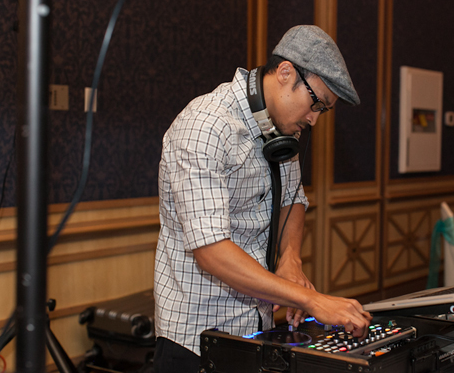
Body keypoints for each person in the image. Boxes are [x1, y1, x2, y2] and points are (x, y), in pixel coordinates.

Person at [153, 25, 372, 372]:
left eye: (324, 111)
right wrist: (311, 300)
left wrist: (291, 259)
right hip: (195, 340)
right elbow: (211, 251)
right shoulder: (205, 126)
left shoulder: (281, 130)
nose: (314, 119)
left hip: (256, 331)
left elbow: (293, 200)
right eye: (316, 103)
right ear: (285, 73)